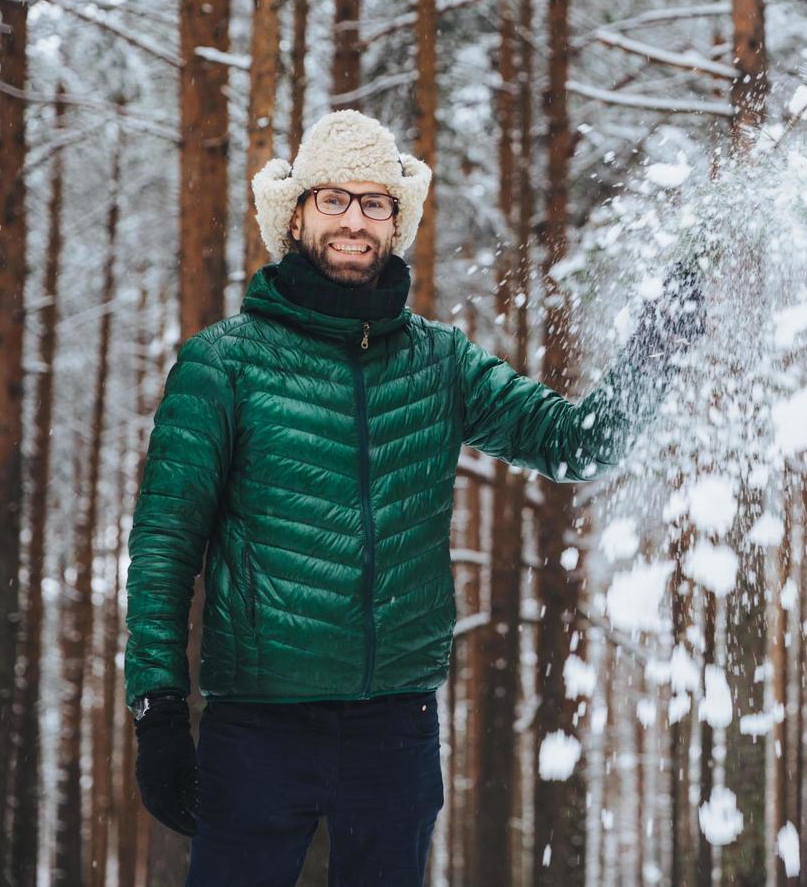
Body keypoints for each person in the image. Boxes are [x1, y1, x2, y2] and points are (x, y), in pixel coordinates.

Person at [123, 109, 705, 885]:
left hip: (393, 728)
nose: (353, 221)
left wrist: (656, 349)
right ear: (295, 216)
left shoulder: (439, 361)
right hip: (259, 726)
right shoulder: (224, 364)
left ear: (396, 222)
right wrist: (158, 710)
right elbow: (165, 544)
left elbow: (578, 443)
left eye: (374, 203)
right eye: (333, 199)